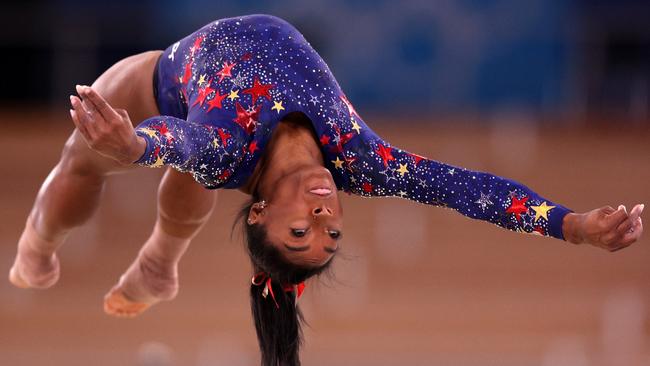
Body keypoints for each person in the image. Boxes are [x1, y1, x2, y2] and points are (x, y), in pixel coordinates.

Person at [9, 14, 644, 366]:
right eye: (330, 231)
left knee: (82, 160)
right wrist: (571, 225)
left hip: (169, 77)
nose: (322, 213)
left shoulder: (225, 148)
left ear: (259, 213)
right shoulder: (359, 160)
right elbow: (465, 190)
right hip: (204, 134)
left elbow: (172, 141)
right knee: (190, 169)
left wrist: (133, 146)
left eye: (299, 231)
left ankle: (39, 246)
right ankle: (158, 264)